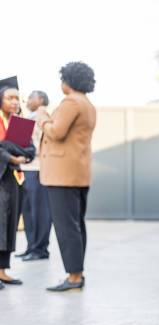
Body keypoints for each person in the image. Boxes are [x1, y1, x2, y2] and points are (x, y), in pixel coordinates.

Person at [38, 62, 96, 292]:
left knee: (66, 227)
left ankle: (73, 277)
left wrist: (42, 118)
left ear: (69, 80)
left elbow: (57, 132)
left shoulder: (72, 102)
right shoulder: (88, 104)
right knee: (76, 225)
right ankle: (77, 273)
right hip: (78, 174)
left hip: (62, 176)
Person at [0, 76, 36, 289]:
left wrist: (9, 150)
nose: (15, 102)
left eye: (17, 98)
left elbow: (30, 150)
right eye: (10, 98)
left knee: (9, 225)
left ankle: (2, 271)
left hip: (13, 180)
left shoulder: (20, 124)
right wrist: (11, 155)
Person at [18, 90, 52, 261]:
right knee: (28, 211)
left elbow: (35, 142)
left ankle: (40, 249)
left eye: (31, 97)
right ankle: (31, 247)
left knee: (39, 211)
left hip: (37, 169)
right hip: (26, 169)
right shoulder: (29, 116)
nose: (27, 99)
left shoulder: (42, 114)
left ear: (40, 100)